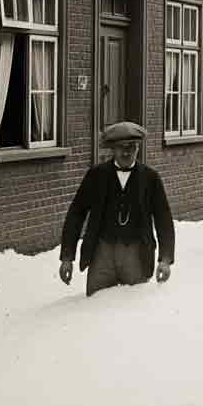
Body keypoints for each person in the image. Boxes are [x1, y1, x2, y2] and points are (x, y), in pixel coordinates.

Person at [58, 121, 174, 296]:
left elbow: (163, 219)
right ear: (113, 148)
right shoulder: (96, 176)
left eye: (132, 147)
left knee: (134, 308)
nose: (126, 152)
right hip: (102, 254)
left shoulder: (151, 178)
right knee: (95, 305)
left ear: (138, 148)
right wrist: (67, 257)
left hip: (136, 256)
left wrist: (165, 260)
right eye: (121, 147)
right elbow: (76, 213)